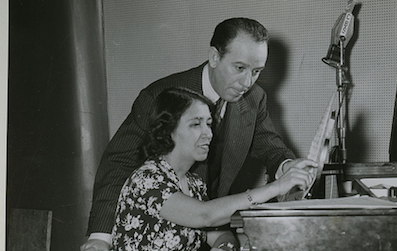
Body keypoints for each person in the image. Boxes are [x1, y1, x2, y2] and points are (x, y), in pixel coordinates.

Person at [81, 17, 317, 251]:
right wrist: (101, 238)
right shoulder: (160, 97)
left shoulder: (254, 99)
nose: (247, 82)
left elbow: (267, 143)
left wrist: (286, 166)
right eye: (240, 68)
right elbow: (119, 163)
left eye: (256, 71)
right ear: (215, 57)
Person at [108, 87, 314, 251]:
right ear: (168, 131)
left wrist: (225, 246)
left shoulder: (194, 184)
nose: (208, 134)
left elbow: (218, 233)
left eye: (208, 124)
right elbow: (205, 215)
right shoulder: (147, 179)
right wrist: (276, 187)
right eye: (196, 124)